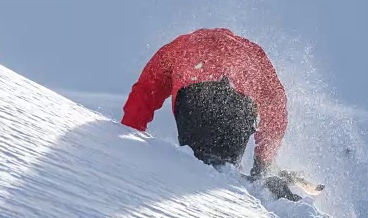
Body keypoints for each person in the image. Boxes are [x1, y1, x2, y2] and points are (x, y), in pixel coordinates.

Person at [121, 28, 288, 184]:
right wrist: (263, 162)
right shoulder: (251, 51)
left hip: (194, 97)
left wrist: (129, 132)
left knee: (200, 168)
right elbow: (275, 103)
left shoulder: (181, 45)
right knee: (221, 171)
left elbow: (146, 89)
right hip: (238, 103)